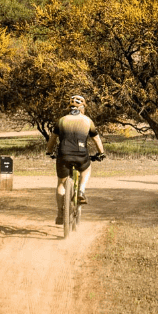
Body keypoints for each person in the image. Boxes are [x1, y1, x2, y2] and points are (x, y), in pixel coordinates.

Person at [46, 94, 105, 225]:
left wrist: (49, 152)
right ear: (82, 107)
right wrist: (101, 153)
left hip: (63, 154)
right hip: (81, 154)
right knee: (86, 170)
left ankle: (60, 214)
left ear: (70, 107)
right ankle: (81, 190)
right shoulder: (87, 121)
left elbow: (52, 139)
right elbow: (96, 138)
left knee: (61, 183)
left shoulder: (61, 120)